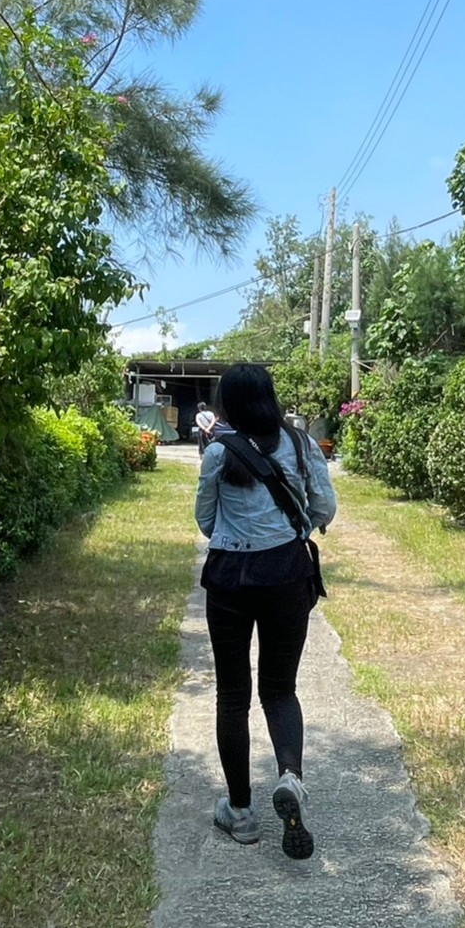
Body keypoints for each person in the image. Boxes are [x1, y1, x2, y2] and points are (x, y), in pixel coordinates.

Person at [194, 362, 337, 858]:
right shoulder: (300, 445)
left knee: (233, 695)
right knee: (280, 690)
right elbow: (324, 509)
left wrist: (239, 534)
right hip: (287, 577)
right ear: (270, 398)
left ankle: (240, 812)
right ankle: (291, 778)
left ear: (229, 404)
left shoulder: (218, 452)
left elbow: (205, 521)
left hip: (230, 579)